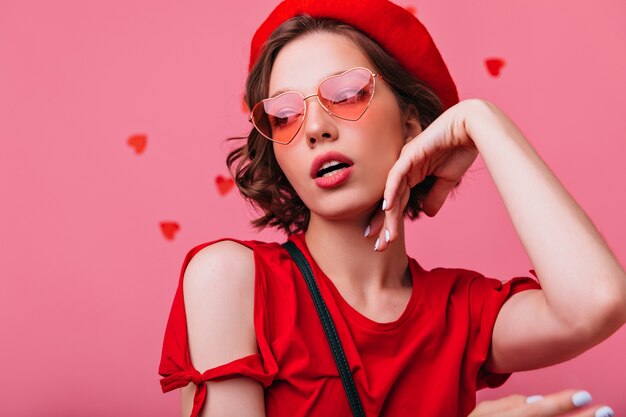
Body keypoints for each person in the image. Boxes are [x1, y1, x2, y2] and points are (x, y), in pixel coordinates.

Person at [158, 1, 626, 416]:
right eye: (284, 115)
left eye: (346, 94)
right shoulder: (230, 279)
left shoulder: (458, 314)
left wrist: (482, 120)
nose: (316, 127)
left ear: (411, 125)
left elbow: (598, 302)